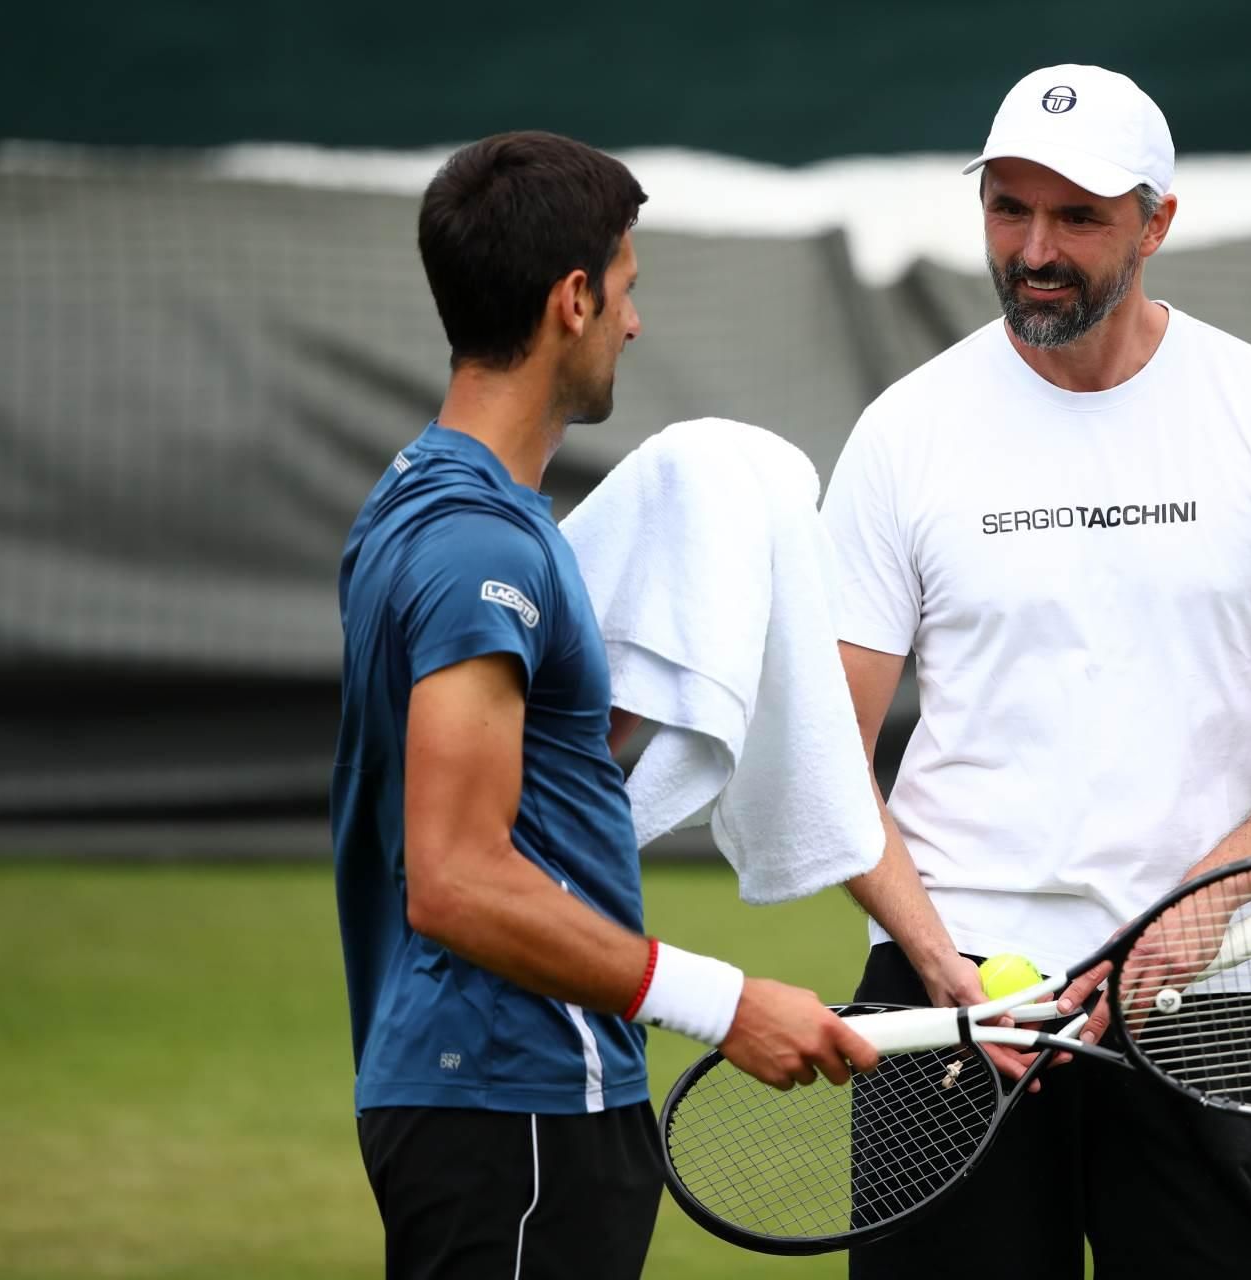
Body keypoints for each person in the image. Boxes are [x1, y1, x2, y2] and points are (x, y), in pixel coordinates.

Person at [823, 66, 1251, 1278]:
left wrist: (1197, 911)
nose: (1035, 250)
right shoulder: (904, 430)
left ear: (1157, 222)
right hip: (952, 1001)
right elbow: (826, 747)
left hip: (1213, 993)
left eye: (1078, 216)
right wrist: (941, 959)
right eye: (1008, 208)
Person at [330, 130, 879, 1280]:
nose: (634, 321)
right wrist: (726, 1001)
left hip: (489, 1095)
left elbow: (509, 787)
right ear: (571, 300)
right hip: (515, 1098)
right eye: (626, 288)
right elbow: (456, 876)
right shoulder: (480, 550)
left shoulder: (419, 503)